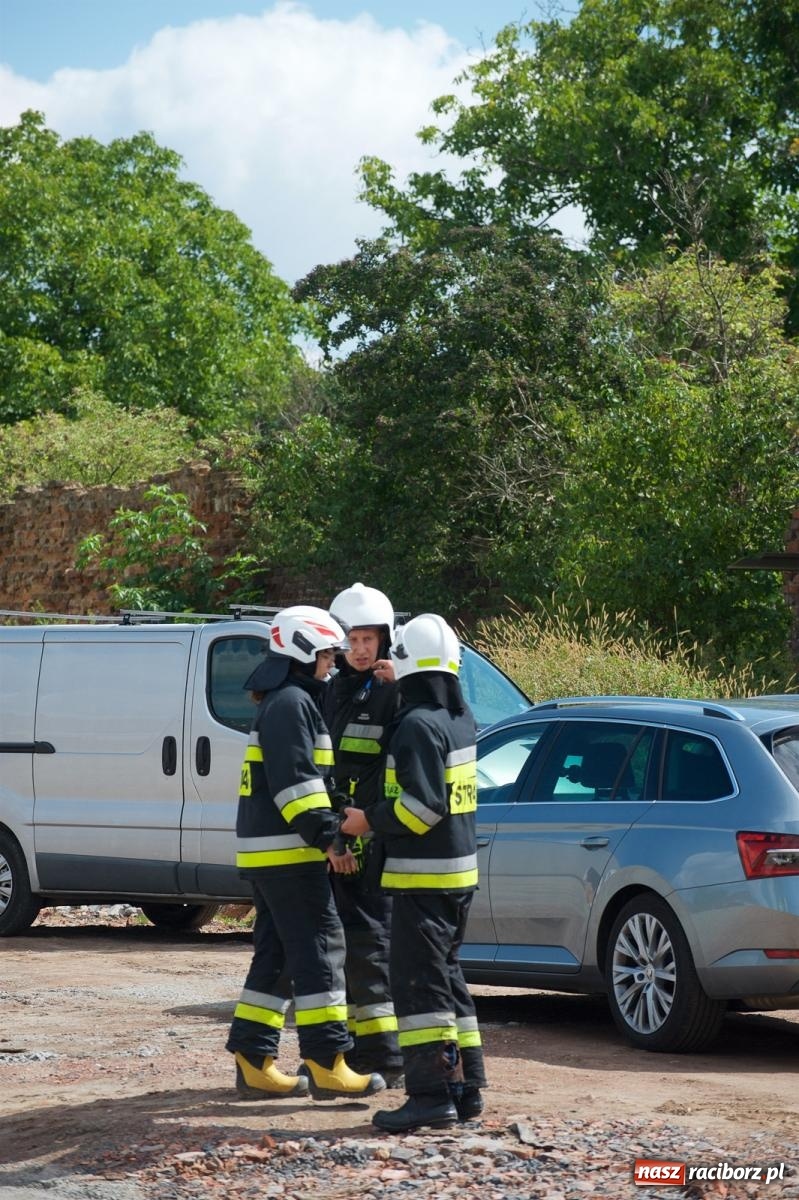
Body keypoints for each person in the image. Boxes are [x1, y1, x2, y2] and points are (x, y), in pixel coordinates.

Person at [225, 605, 386, 1102]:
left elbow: (311, 780)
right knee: (322, 947)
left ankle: (254, 1060)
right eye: (328, 654)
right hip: (289, 855)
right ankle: (328, 1062)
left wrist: (333, 819)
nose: (334, 664)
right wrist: (331, 837)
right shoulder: (292, 704)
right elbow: (297, 787)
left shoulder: (285, 700)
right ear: (304, 651)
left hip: (273, 854)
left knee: (276, 956)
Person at [341, 613, 487, 1132]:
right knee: (448, 981)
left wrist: (367, 820)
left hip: (422, 879)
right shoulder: (458, 718)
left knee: (419, 988)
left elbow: (422, 808)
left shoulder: (418, 726)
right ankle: (465, 1088)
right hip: (456, 877)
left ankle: (429, 1096)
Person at [324, 583, 404, 1087]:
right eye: (351, 640)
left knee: (372, 950)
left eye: (367, 639)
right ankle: (354, 1053)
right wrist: (334, 837)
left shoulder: (395, 692)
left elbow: (392, 773)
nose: (359, 649)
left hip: (374, 843)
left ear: (384, 639)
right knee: (346, 953)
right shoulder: (332, 690)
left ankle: (386, 1058)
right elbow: (324, 770)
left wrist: (362, 831)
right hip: (341, 838)